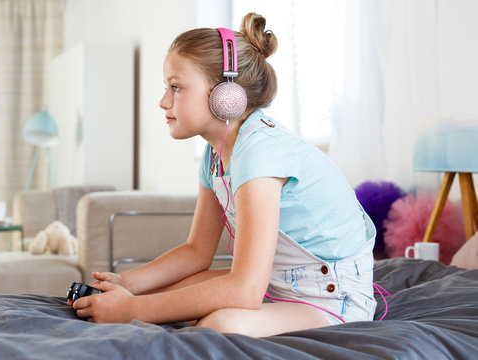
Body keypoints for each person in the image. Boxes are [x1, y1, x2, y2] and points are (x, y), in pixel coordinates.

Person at [70, 13, 377, 338]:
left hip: (331, 302)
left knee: (218, 326)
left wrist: (132, 310)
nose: (163, 102)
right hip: (274, 286)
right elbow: (196, 251)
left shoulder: (260, 151)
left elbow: (244, 290)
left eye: (176, 87)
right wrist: (128, 284)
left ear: (226, 96)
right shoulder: (214, 155)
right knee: (165, 295)